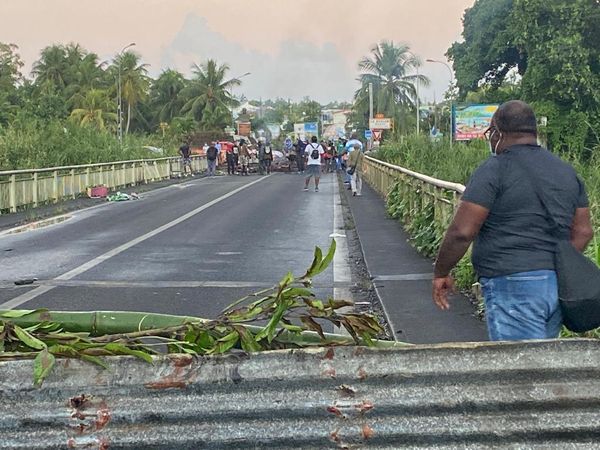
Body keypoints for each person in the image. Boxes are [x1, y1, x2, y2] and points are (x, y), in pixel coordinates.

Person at [432, 100, 593, 341]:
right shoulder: (566, 171)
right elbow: (583, 231)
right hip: (557, 285)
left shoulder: (494, 169)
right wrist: (556, 263)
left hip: (512, 284)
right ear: (534, 130)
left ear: (497, 132)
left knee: (521, 372)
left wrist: (441, 271)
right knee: (543, 366)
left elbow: (462, 231)